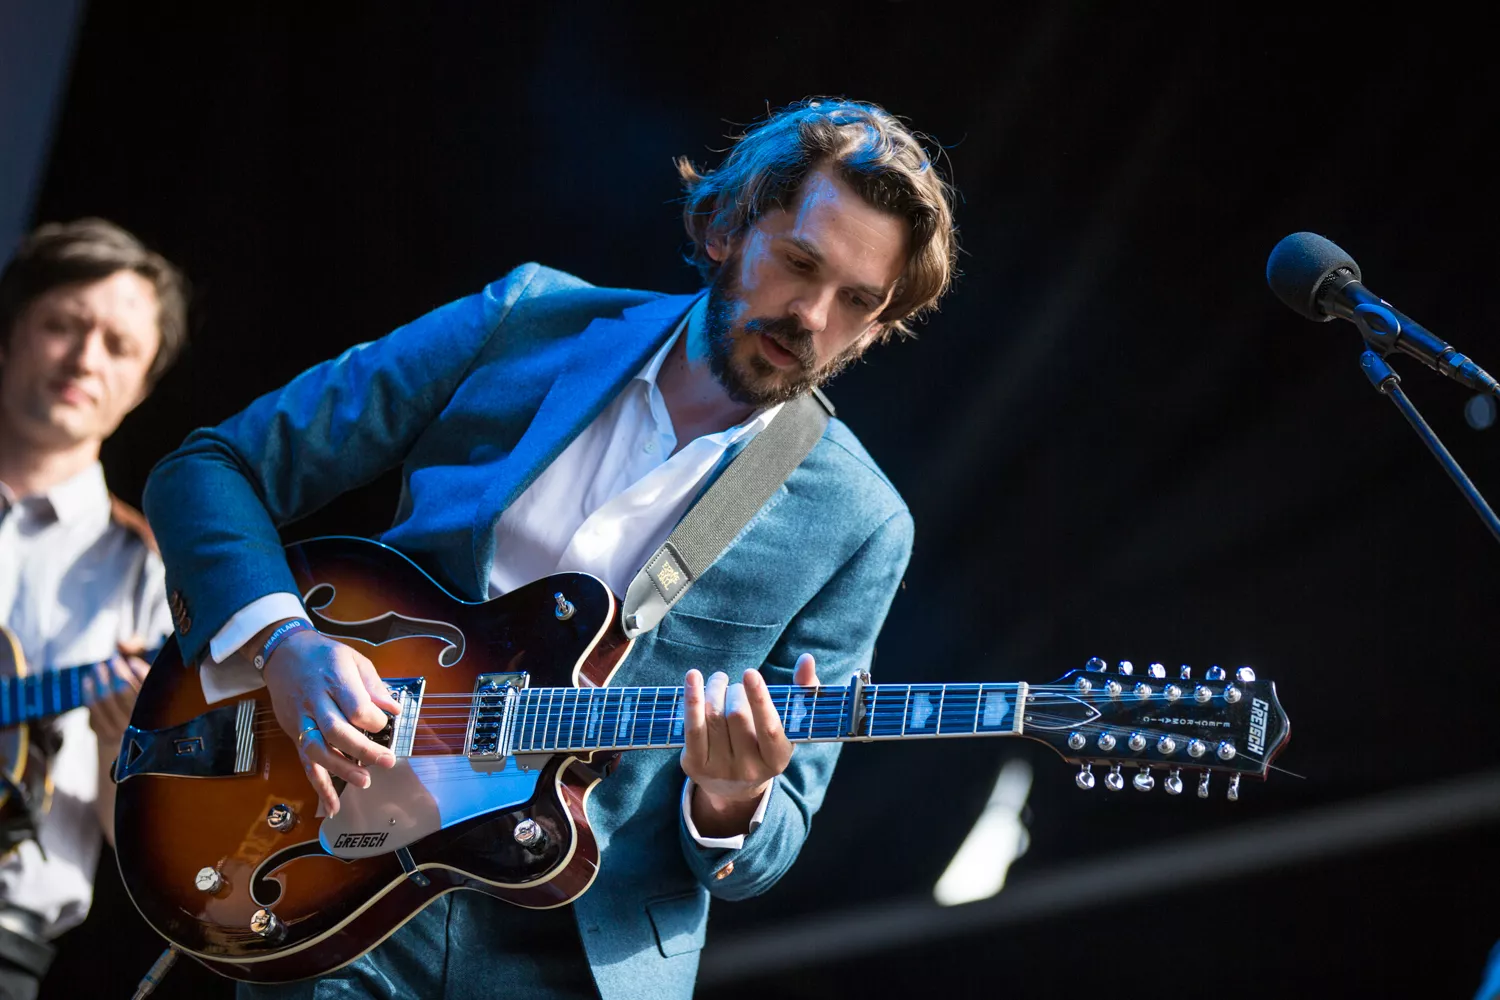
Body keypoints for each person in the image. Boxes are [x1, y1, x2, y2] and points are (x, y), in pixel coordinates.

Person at [143, 97, 957, 1000]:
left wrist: (733, 801)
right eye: (799, 262)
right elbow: (209, 470)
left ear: (879, 325)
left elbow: (768, 845)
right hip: (335, 874)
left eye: (857, 302)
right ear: (727, 226)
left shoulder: (860, 520)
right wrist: (284, 644)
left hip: (572, 957)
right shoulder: (526, 320)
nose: (811, 315)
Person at [0, 218, 189, 1000]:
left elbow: (145, 845)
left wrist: (122, 747)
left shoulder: (154, 576)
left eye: (118, 346)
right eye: (63, 325)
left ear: (141, 387)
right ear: (11, 333)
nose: (85, 359)